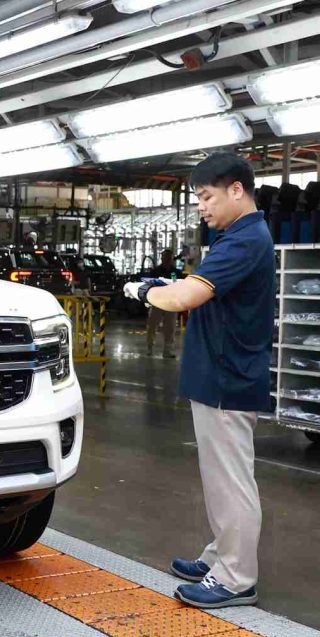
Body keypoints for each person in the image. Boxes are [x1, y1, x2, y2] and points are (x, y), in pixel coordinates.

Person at [124, 152, 272, 609]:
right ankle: (219, 557)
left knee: (231, 481)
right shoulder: (235, 237)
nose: (202, 208)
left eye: (207, 197)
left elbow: (183, 297)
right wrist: (162, 286)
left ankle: (236, 578)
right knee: (220, 479)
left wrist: (146, 291)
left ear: (236, 190)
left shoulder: (244, 240)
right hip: (218, 376)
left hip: (227, 379)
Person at [146, 248, 179, 358]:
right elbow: (150, 285)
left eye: (169, 257)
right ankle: (150, 347)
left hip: (170, 302)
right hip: (157, 301)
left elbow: (177, 285)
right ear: (162, 258)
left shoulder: (175, 272)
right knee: (152, 325)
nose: (167, 259)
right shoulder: (156, 271)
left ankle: (167, 350)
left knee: (170, 327)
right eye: (165, 257)